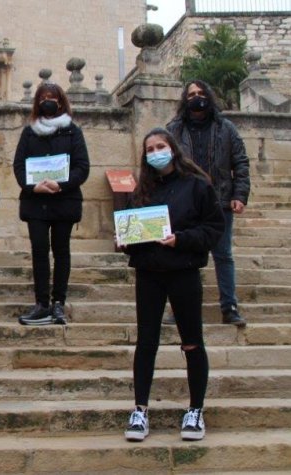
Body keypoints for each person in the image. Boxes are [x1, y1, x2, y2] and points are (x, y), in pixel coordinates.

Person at [121, 128, 224, 442]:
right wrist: (125, 239)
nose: (155, 152)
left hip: (184, 270)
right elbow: (134, 232)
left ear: (173, 149)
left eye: (160, 146)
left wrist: (181, 239)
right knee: (146, 342)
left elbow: (213, 228)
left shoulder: (197, 186)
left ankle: (195, 409)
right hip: (149, 272)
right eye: (149, 149)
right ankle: (140, 409)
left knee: (192, 341)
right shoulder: (142, 189)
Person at [165, 80, 250, 327]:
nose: (197, 97)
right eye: (191, 94)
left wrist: (240, 195)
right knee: (183, 257)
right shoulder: (174, 130)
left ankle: (229, 306)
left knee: (223, 255)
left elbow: (241, 162)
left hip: (221, 201)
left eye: (201, 93)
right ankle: (180, 307)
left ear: (209, 96)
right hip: (186, 202)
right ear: (185, 99)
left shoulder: (226, 128)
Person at [12, 83, 89, 325]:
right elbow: (19, 166)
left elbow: (82, 167)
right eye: (43, 97)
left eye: (53, 97)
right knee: (39, 249)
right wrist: (32, 185)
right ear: (37, 102)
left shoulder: (72, 131)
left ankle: (58, 303)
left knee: (61, 250)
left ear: (61, 101)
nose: (48, 101)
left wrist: (61, 184)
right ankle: (42, 303)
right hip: (36, 202)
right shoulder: (28, 132)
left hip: (63, 200)